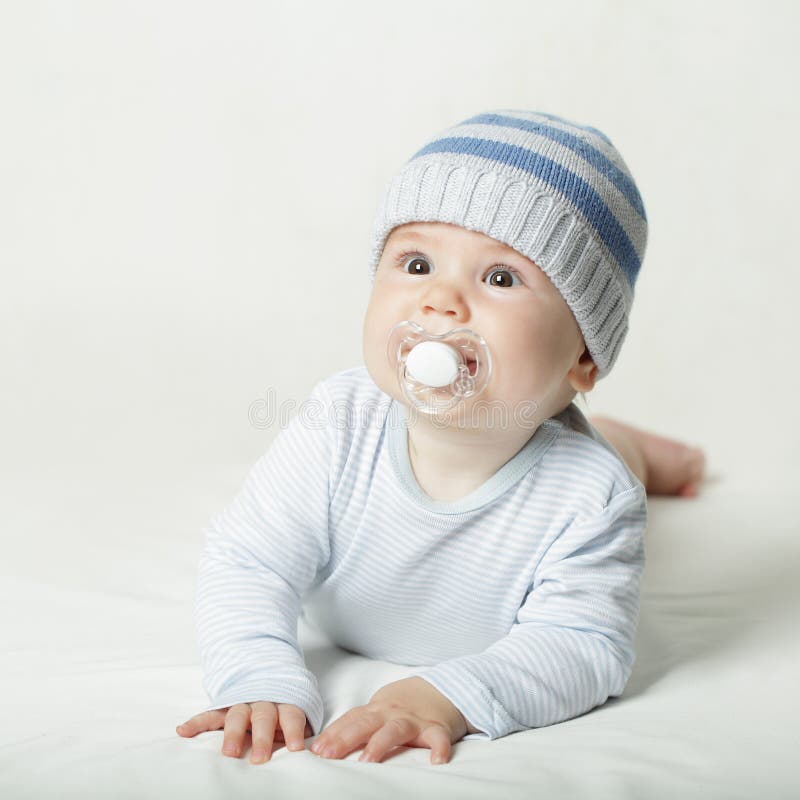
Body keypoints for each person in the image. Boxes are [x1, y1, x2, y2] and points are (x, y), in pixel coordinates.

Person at [176, 110, 706, 766]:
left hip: (577, 452)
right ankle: (626, 436)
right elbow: (247, 560)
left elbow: (583, 643)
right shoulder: (336, 424)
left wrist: (449, 694)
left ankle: (635, 448)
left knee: (609, 457)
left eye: (501, 277)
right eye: (418, 262)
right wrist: (254, 671)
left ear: (584, 359)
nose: (441, 303)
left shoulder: (591, 494)